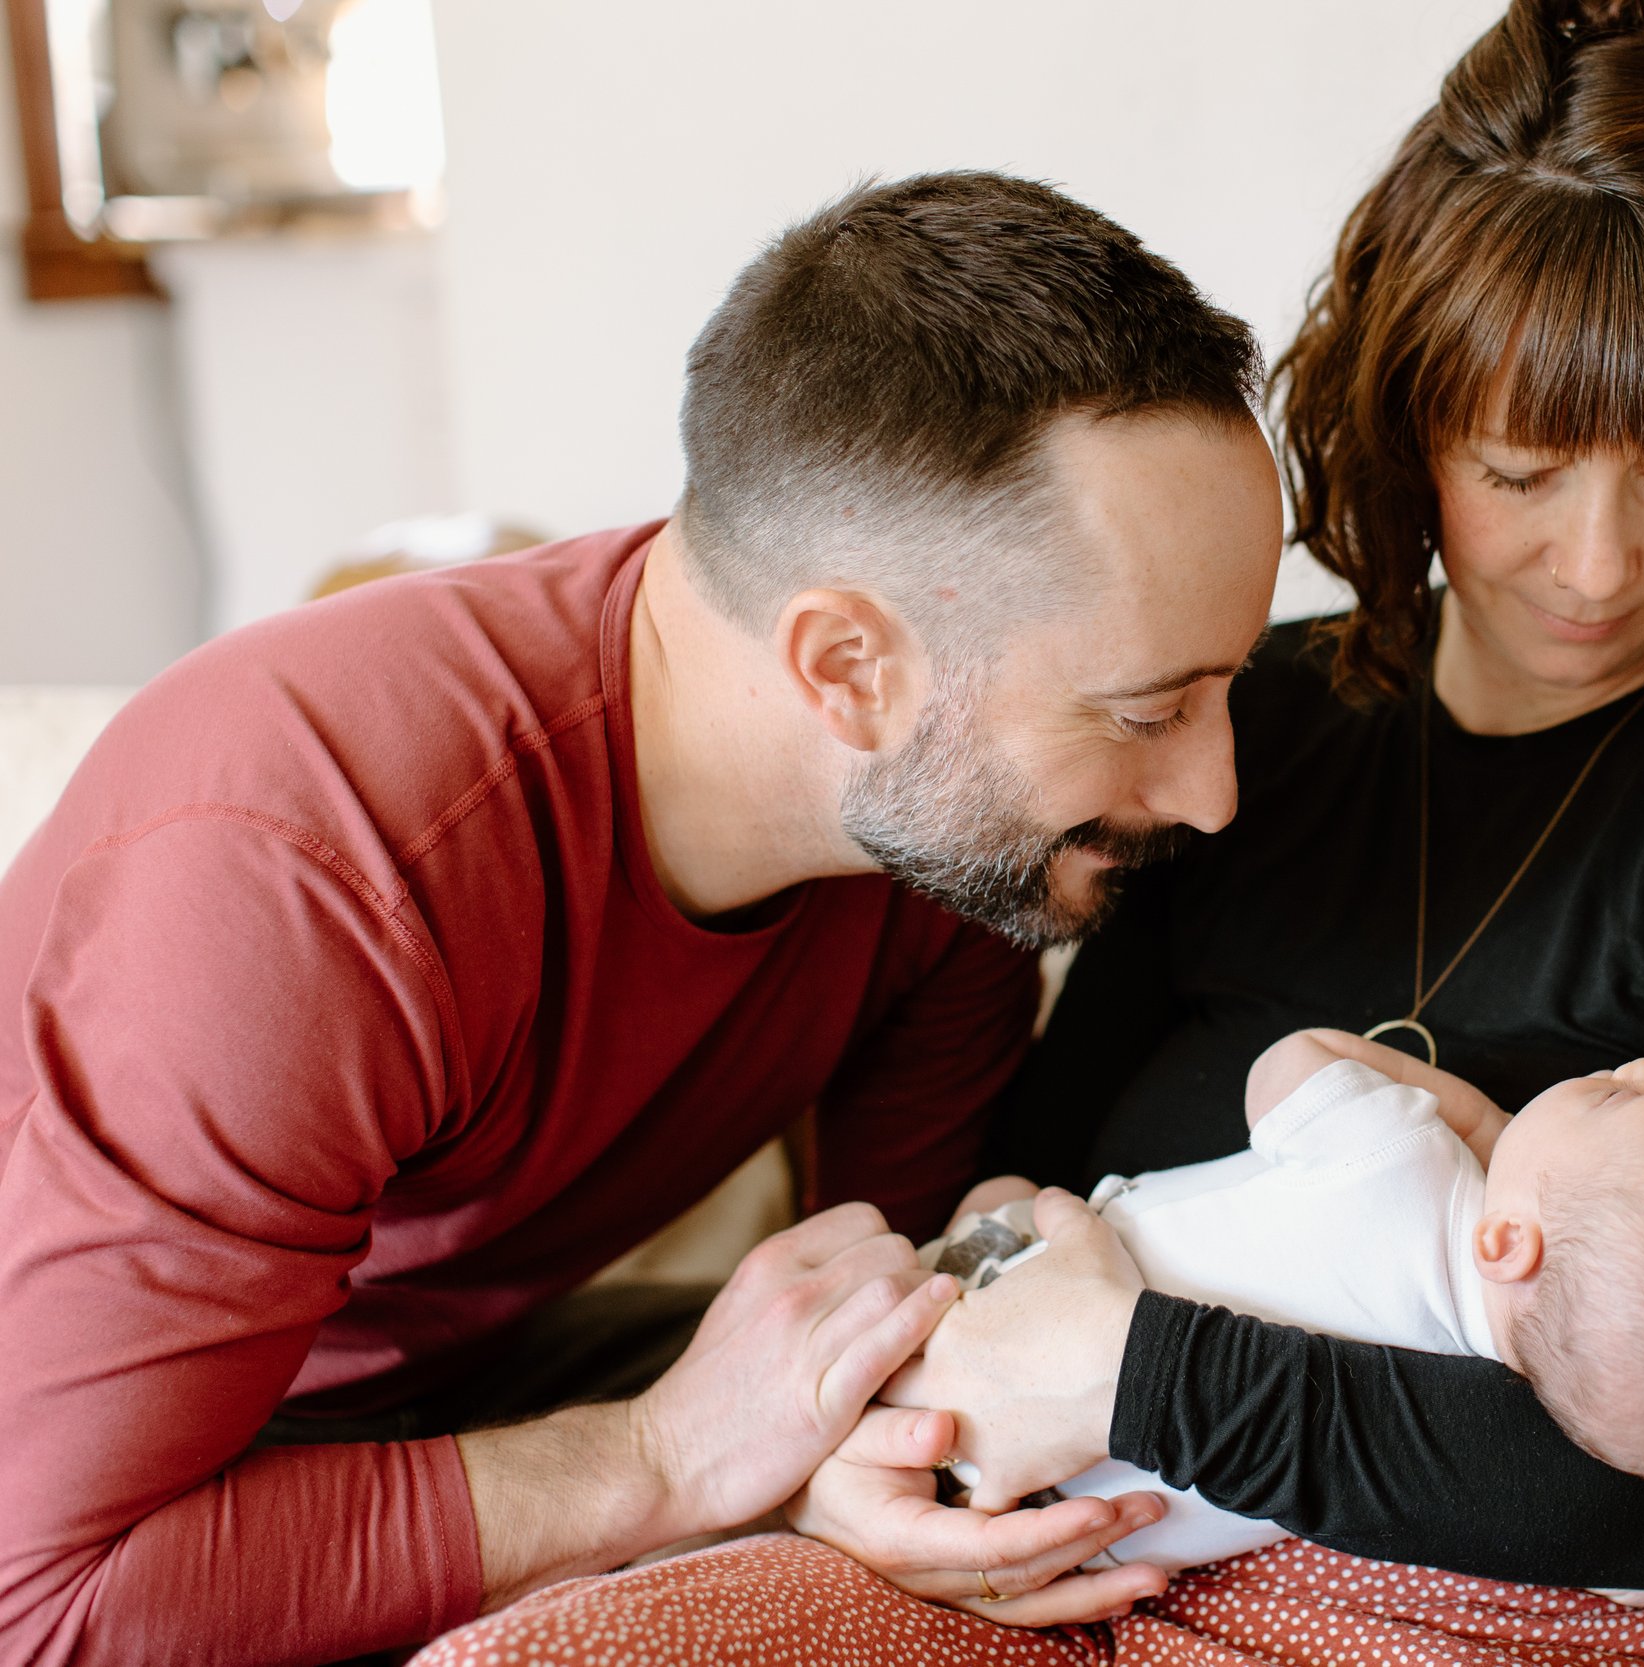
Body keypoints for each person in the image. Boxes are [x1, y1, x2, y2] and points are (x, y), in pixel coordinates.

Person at [412, 2, 1644, 1661]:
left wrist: (1130, 1372)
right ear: (1409, 427)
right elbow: (1011, 1193)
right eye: (1523, 469)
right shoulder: (1233, 726)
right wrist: (869, 1466)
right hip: (1042, 1556)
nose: (1601, 562)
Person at [0, 172, 1284, 1663]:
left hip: (429, 1388)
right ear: (849, 667)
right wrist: (668, 1461)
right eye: (1147, 709)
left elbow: (894, 1303)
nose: (1212, 793)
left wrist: (852, 1434)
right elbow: (48, 1595)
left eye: (1229, 684)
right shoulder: (314, 861)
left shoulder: (941, 851)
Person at [920, 1024, 1644, 1582]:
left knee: (985, 1197)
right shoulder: (1474, 1420)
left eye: (1618, 1102)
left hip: (1005, 1299)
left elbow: (1288, 1066)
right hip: (1063, 1536)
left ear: (1506, 1242)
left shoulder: (1404, 1158)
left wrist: (1479, 1126)